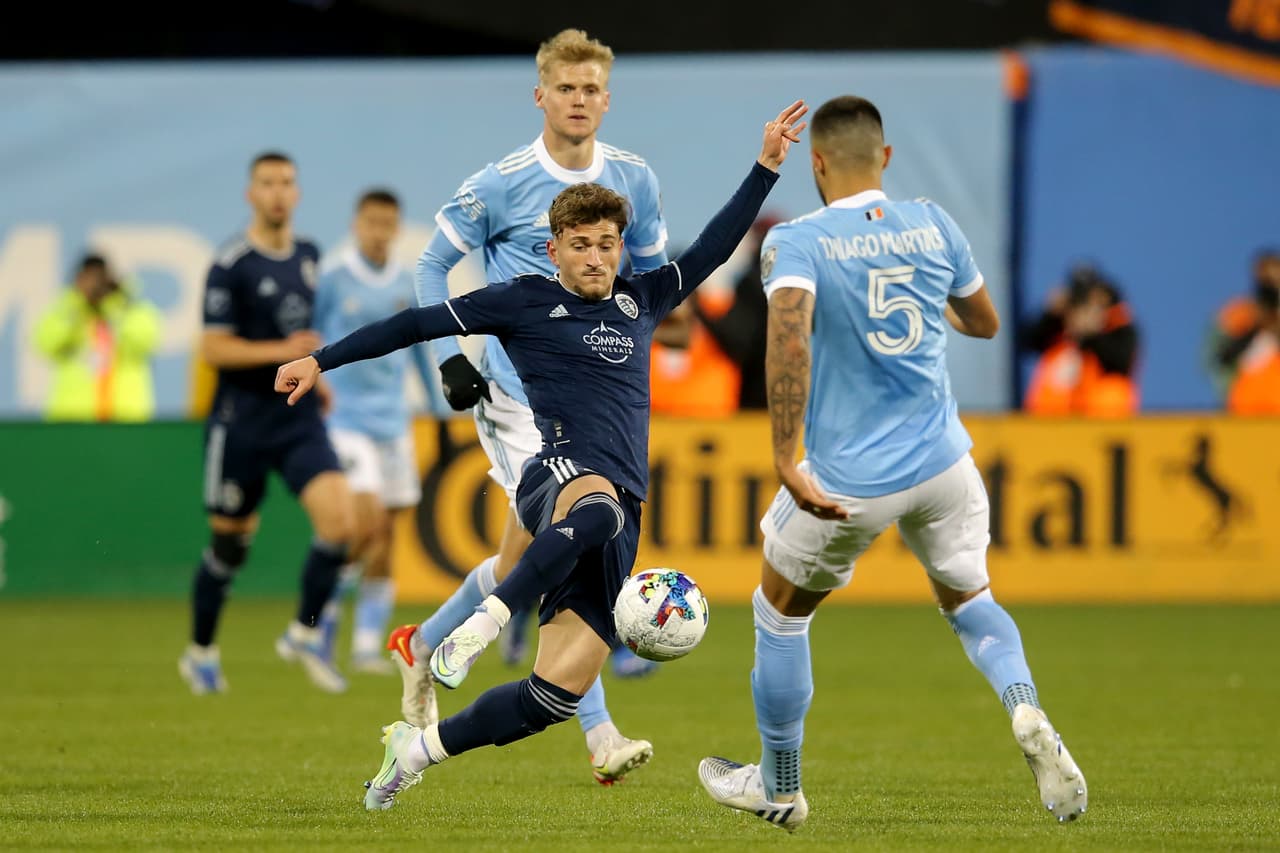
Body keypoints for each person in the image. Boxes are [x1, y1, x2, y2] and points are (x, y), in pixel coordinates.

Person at [274, 100, 807, 811]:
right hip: (553, 474)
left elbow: (712, 247)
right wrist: (320, 359)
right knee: (597, 509)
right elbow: (412, 321)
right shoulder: (522, 300)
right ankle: (484, 622)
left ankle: (416, 750)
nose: (596, 256)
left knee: (553, 695)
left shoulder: (641, 299)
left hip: (619, 511)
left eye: (607, 243)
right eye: (580, 243)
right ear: (553, 249)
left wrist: (765, 168)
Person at [694, 96, 1087, 832]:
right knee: (972, 603)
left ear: (815, 163)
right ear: (887, 158)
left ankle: (779, 785)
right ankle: (1025, 704)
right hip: (944, 464)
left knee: (777, 613)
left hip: (850, 480)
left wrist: (785, 454)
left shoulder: (799, 241)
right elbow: (984, 321)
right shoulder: (933, 223)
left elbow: (788, 341)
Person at [390, 27, 668, 784]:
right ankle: (601, 731)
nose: (578, 102)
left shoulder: (634, 182)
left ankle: (424, 643)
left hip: (594, 400)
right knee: (574, 538)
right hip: (517, 400)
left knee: (523, 559)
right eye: (565, 89)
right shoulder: (500, 181)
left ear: (606, 99)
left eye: (591, 90)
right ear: (541, 95)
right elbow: (431, 265)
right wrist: (449, 359)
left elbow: (650, 282)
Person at [178, 151, 355, 696]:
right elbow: (212, 348)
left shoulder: (308, 255)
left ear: (297, 193)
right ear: (250, 194)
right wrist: (281, 351)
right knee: (230, 547)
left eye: (286, 183)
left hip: (295, 418)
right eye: (267, 184)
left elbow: (305, 334)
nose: (278, 192)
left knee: (341, 524)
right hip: (241, 424)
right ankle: (201, 652)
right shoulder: (231, 263)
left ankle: (304, 632)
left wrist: (315, 377)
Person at [312, 188, 453, 675]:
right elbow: (311, 338)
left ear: (396, 227)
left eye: (387, 223)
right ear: (357, 224)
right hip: (345, 421)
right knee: (365, 523)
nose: (378, 231)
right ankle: (320, 618)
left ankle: (366, 646)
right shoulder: (332, 279)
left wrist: (436, 406)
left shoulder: (405, 284)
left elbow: (417, 348)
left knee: (386, 536)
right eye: (371, 222)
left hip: (393, 421)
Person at [34, 252, 161, 422]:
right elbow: (46, 342)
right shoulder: (66, 310)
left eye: (100, 279)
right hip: (73, 418)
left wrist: (114, 302)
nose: (95, 286)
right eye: (89, 279)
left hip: (126, 418)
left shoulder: (131, 308)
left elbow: (146, 340)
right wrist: (78, 303)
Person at [1021, 264, 1139, 417]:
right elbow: (1027, 342)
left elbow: (1121, 363)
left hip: (1102, 427)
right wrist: (1049, 316)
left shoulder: (1118, 329)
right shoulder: (1058, 329)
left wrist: (1091, 335)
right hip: (1051, 426)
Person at [1208, 249, 1280, 412]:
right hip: (1244, 407)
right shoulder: (1239, 313)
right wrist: (1258, 326)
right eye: (1266, 277)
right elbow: (1218, 359)